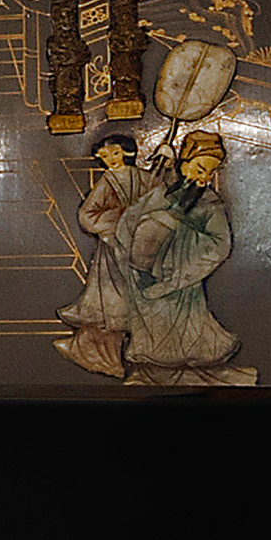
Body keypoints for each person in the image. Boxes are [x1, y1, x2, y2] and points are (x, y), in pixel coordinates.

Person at [121, 130, 248, 385]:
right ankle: (150, 376)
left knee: (184, 332)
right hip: (147, 272)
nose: (204, 178)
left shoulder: (210, 202)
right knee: (152, 330)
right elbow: (130, 219)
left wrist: (182, 239)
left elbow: (221, 244)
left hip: (182, 278)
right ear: (184, 164)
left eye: (210, 173)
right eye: (200, 169)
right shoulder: (163, 192)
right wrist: (145, 237)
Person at [56, 131, 148, 378]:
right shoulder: (107, 183)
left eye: (116, 153)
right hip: (114, 253)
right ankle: (106, 357)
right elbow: (87, 215)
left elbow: (162, 199)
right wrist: (116, 221)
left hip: (146, 249)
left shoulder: (144, 178)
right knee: (113, 305)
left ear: (127, 152)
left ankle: (144, 356)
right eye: (106, 156)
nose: (112, 159)